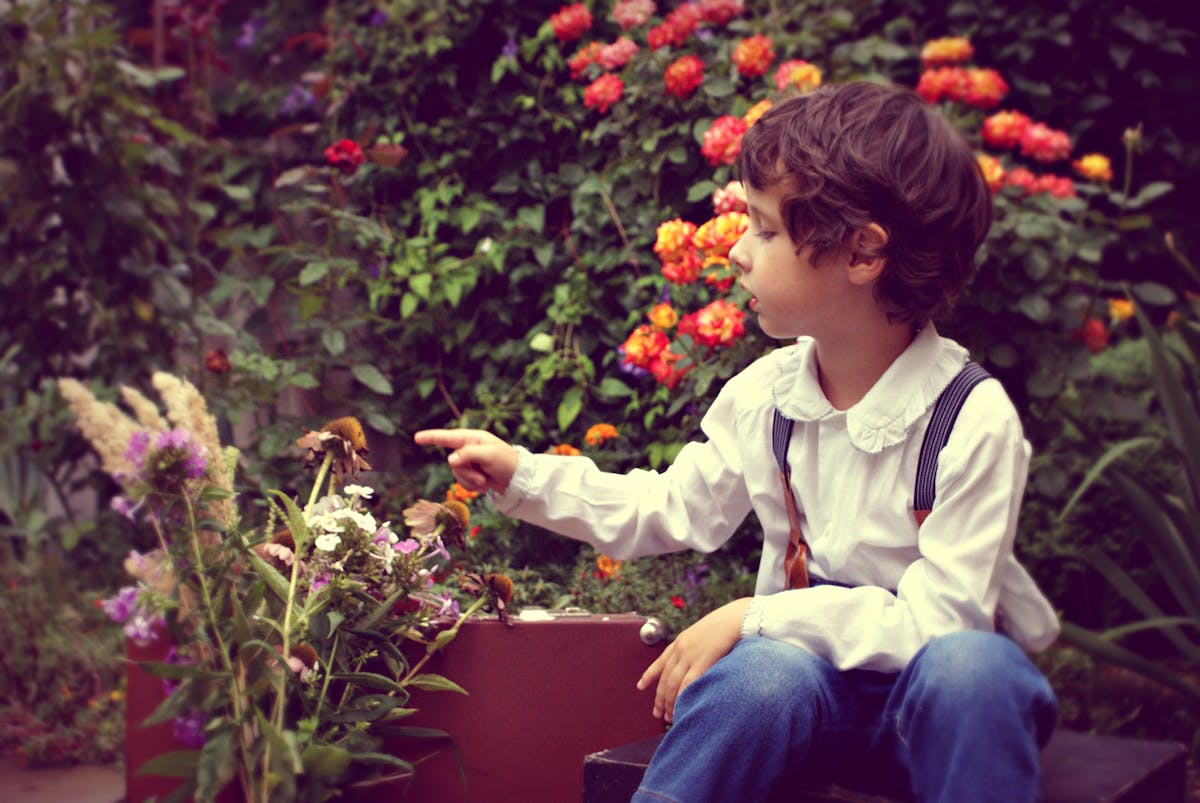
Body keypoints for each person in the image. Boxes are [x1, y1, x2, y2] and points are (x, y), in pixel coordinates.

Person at [415, 81, 1060, 803]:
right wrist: (521, 476)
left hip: (935, 716)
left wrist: (754, 613)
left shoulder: (970, 417)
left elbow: (941, 621)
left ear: (862, 253)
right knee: (758, 674)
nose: (738, 252)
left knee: (975, 668)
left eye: (763, 227)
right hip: (807, 701)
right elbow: (665, 508)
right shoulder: (770, 395)